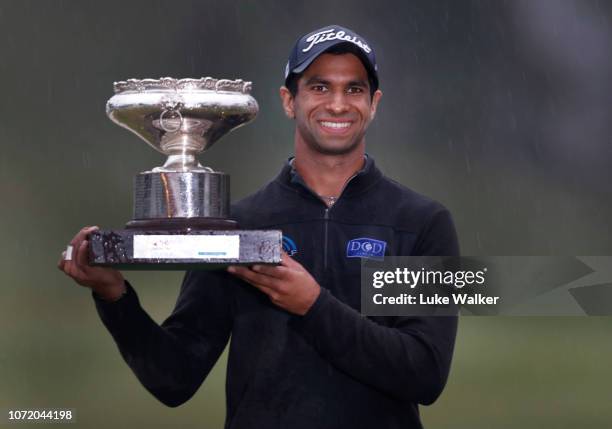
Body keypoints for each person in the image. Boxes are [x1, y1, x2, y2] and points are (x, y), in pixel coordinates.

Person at [58, 25, 459, 429]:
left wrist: (313, 306)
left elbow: (425, 374)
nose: (338, 104)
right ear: (288, 100)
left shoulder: (420, 222)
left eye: (353, 89)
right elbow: (174, 378)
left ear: (374, 103)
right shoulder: (237, 227)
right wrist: (114, 297)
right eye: (319, 87)